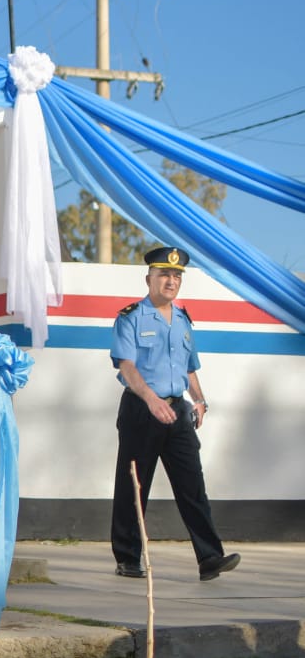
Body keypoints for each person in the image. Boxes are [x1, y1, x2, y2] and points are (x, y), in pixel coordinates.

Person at [109, 246, 239, 581]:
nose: (171, 281)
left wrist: (200, 400)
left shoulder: (183, 320)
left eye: (176, 276)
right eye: (164, 274)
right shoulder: (130, 317)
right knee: (134, 486)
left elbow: (189, 368)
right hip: (141, 408)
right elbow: (126, 366)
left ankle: (209, 558)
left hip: (177, 411)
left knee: (192, 485)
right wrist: (152, 400)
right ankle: (127, 558)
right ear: (149, 279)